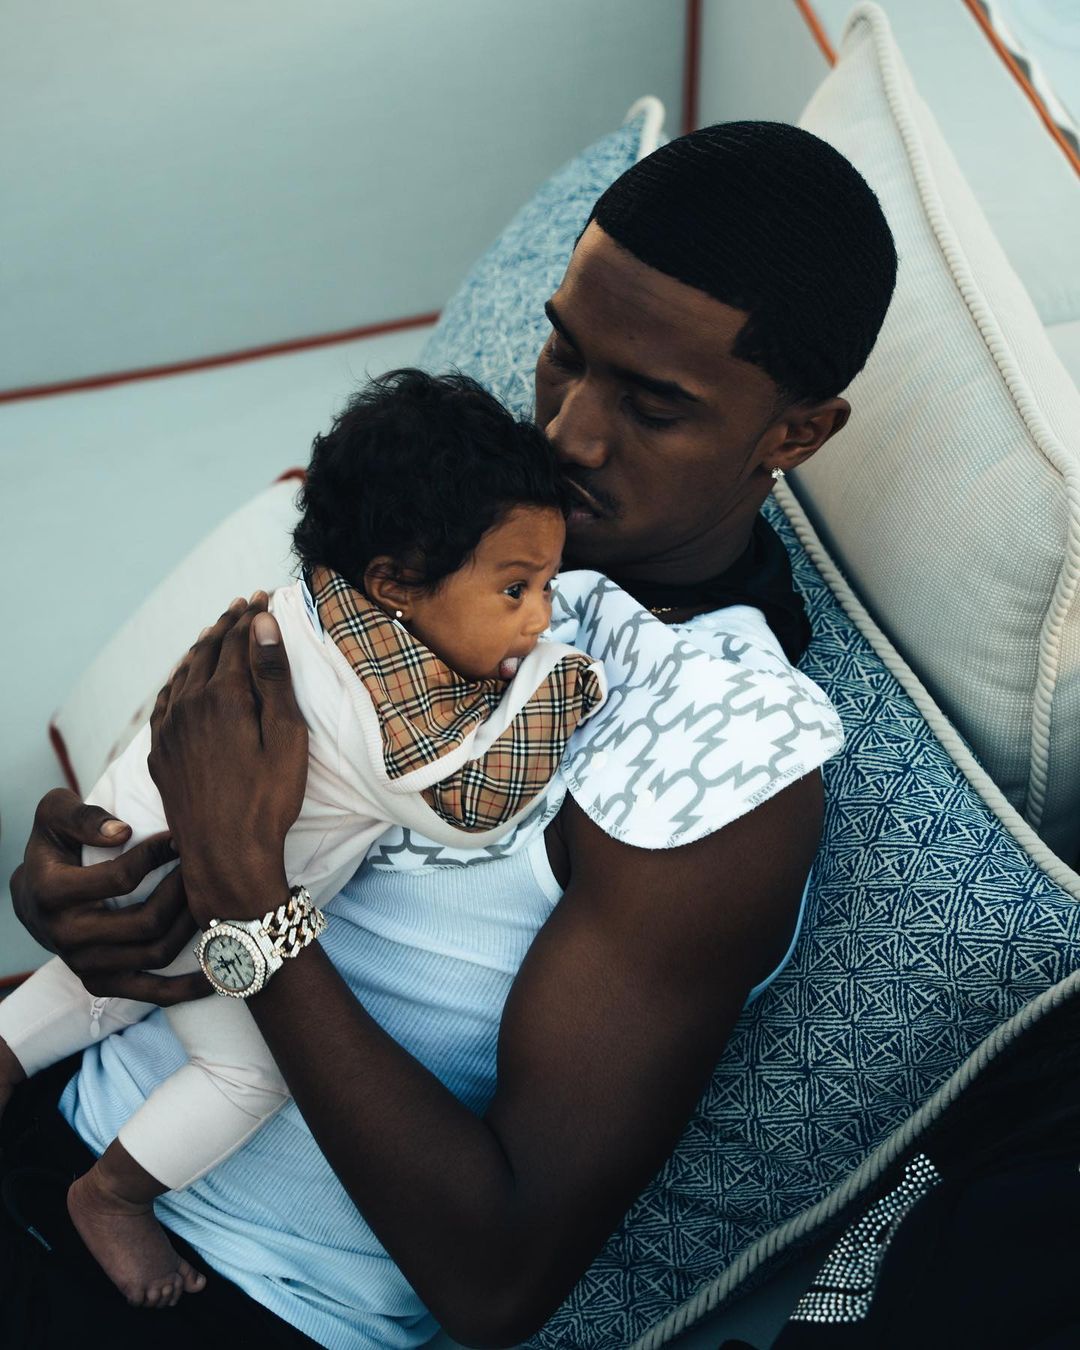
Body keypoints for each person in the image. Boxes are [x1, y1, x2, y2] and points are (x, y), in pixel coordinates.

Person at [5, 121, 898, 1348]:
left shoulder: (715, 748)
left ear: (794, 434)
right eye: (563, 355)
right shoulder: (444, 508)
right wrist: (81, 878)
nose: (570, 435)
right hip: (56, 1112)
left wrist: (244, 896)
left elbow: (497, 1275)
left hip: (229, 1299)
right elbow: (208, 756)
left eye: (653, 406)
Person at [0, 370, 604, 1308]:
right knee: (248, 1073)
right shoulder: (384, 708)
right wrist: (559, 682)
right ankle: (113, 1196)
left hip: (118, 845)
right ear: (395, 584)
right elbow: (466, 801)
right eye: (517, 589)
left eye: (548, 589)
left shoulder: (301, 607)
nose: (541, 618)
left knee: (99, 987)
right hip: (193, 891)